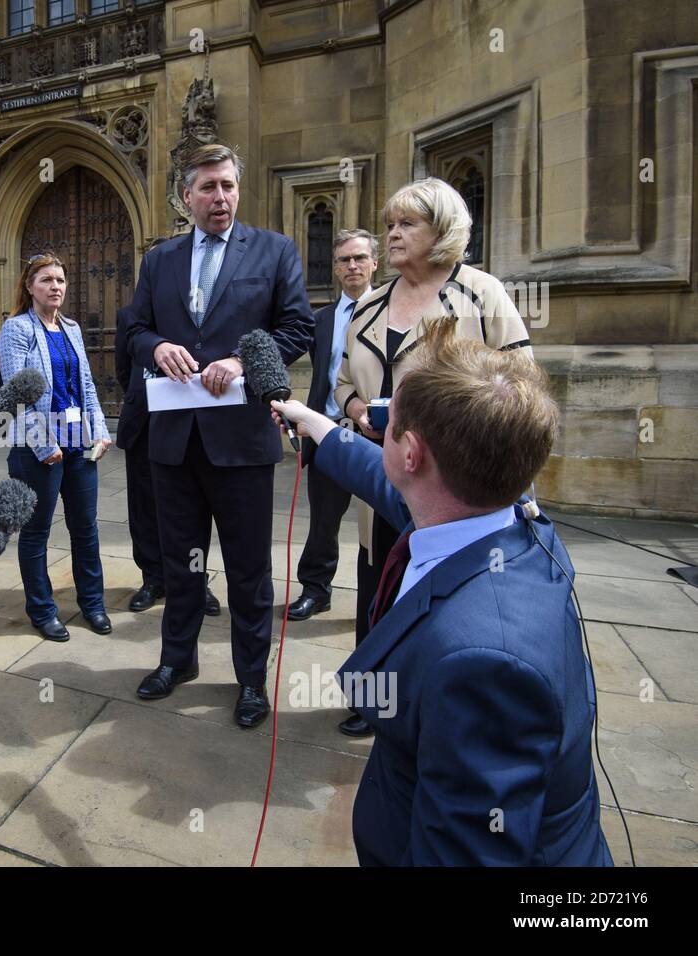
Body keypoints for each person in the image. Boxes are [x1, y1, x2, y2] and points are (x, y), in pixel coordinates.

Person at [270, 322, 611, 866]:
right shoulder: (495, 510)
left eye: (386, 421)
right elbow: (390, 486)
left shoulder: (484, 666)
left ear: (412, 454)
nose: (375, 425)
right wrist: (314, 424)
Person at [331, 177, 531, 737]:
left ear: (442, 231)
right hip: (384, 477)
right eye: (390, 224)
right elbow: (345, 381)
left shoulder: (481, 292)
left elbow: (519, 384)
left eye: (407, 224)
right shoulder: (368, 305)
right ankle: (371, 701)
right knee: (378, 587)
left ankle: (439, 713)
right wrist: (356, 411)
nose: (392, 233)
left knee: (446, 599)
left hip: (454, 486)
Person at [125, 143, 313, 727]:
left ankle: (251, 680)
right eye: (207, 187)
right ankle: (176, 660)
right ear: (187, 197)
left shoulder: (276, 251)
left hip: (242, 445)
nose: (220, 197)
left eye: (228, 185)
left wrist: (240, 361)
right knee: (181, 564)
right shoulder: (160, 261)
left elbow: (298, 327)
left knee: (248, 570)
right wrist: (156, 346)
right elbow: (133, 328)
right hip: (174, 443)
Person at [0, 253, 113, 642]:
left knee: (86, 528)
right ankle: (43, 610)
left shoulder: (73, 328)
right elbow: (16, 392)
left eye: (61, 280)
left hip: (79, 442)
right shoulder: (16, 330)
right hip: (36, 448)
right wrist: (43, 444)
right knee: (36, 532)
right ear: (29, 286)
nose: (56, 287)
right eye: (46, 280)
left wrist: (99, 430)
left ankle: (93, 604)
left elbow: (88, 385)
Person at [286, 229, 379, 626]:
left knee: (382, 523)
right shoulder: (320, 319)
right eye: (344, 259)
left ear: (375, 263)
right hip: (329, 431)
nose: (352, 265)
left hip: (377, 434)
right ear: (336, 267)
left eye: (360, 258)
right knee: (324, 518)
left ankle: (381, 598)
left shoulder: (391, 311)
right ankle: (315, 589)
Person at [115, 304, 219, 616]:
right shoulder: (128, 315)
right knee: (143, 510)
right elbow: (124, 366)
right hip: (143, 424)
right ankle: (153, 580)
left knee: (193, 515)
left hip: (186, 425)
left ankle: (196, 580)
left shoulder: (199, 308)